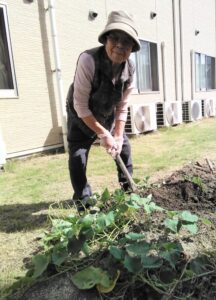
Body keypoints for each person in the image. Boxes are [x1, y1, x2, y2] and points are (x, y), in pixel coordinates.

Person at [66, 11, 140, 212]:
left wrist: (116, 135)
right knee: (78, 156)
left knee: (123, 148)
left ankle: (129, 193)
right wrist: (103, 134)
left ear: (132, 48)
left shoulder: (130, 69)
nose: (119, 45)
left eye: (126, 42)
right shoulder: (88, 60)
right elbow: (80, 106)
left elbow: (122, 106)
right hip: (80, 114)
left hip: (107, 113)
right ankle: (84, 202)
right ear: (106, 38)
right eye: (114, 37)